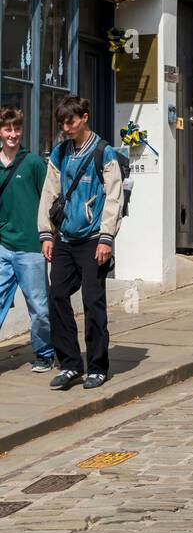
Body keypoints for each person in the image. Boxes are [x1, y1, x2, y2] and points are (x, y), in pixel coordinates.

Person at [38, 95, 124, 391]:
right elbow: (49, 193)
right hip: (64, 238)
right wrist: (46, 233)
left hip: (92, 242)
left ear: (84, 117)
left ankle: (98, 366)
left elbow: (114, 198)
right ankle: (71, 364)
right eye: (63, 122)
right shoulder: (60, 153)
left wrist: (106, 238)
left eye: (71, 121)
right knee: (57, 297)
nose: (66, 127)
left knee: (93, 302)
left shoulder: (104, 152)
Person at [0, 107, 54, 372]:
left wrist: (47, 236)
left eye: (17, 129)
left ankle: (44, 353)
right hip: (3, 246)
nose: (13, 134)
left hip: (31, 247)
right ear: (0, 131)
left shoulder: (33, 163)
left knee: (39, 307)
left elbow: (48, 201)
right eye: (8, 129)